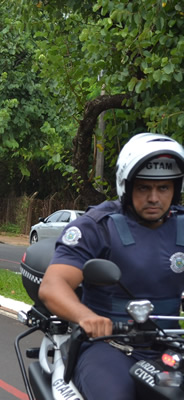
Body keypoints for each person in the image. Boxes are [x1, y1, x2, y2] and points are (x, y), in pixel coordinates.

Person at [38, 132, 184, 400]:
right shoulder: (97, 227)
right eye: (144, 188)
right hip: (108, 347)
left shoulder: (182, 227)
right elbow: (53, 285)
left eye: (163, 188)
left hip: (169, 346)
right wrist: (86, 317)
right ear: (126, 186)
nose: (154, 198)